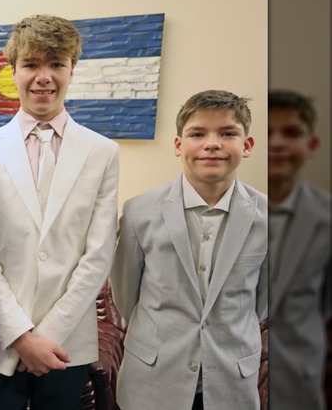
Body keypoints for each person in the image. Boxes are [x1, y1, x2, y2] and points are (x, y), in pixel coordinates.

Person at [0, 14, 120, 409]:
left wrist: (46, 337)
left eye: (56, 65)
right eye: (31, 64)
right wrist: (20, 337)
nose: (43, 77)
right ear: (13, 71)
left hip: (66, 344)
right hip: (1, 341)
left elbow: (98, 253)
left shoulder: (102, 152)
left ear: (72, 70)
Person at [111, 90, 267, 410]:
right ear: (179, 145)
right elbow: (125, 296)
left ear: (246, 145)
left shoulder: (272, 220)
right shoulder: (139, 212)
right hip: (152, 380)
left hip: (230, 382)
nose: (212, 143)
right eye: (198, 133)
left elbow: (264, 301)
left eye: (228, 133)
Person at [267, 89, 331, 410]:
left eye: (291, 133)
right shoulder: (231, 210)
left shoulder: (326, 220)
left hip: (296, 382)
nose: (277, 143)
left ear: (312, 145)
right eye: (267, 132)